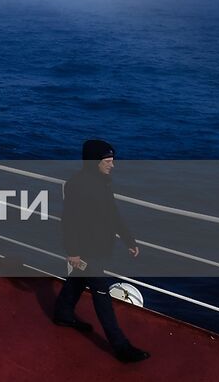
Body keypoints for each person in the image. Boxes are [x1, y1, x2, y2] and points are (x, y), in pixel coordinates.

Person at [52, 138, 151, 364]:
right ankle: (121, 346)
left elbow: (113, 213)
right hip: (87, 250)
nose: (112, 165)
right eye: (108, 160)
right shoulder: (77, 185)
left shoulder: (103, 182)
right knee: (102, 295)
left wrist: (129, 240)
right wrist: (73, 251)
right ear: (93, 161)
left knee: (78, 279)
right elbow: (69, 221)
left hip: (100, 247)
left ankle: (63, 313)